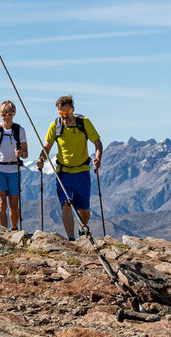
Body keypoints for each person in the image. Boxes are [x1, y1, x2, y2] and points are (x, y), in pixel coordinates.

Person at [36, 94, 102, 240]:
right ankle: (71, 239)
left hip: (82, 171)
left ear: (72, 109)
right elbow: (47, 147)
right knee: (66, 204)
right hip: (63, 172)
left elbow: (97, 143)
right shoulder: (56, 126)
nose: (64, 116)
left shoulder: (84, 123)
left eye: (67, 113)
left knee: (84, 210)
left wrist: (98, 159)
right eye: (61, 113)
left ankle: (81, 228)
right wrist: (41, 159)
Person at [0, 100, 28, 229]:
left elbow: (26, 153)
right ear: (0, 114)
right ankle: (3, 233)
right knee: (1, 203)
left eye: (9, 114)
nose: (6, 117)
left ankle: (14, 229)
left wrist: (20, 153)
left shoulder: (19, 130)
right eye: (4, 114)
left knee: (14, 206)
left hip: (14, 170)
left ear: (14, 114)